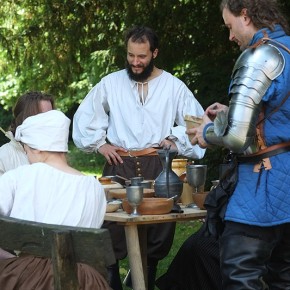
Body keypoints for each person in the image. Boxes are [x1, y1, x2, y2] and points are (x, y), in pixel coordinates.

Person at [73, 25, 205, 290]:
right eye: (131, 55)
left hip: (157, 164)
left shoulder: (173, 86)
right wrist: (100, 145)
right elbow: (85, 117)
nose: (135, 62)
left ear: (154, 53)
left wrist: (175, 139)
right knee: (109, 226)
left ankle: (141, 280)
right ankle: (112, 282)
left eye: (141, 56)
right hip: (118, 164)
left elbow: (197, 123)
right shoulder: (111, 83)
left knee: (158, 231)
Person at [187, 0, 290, 289]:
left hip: (262, 188)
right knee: (284, 278)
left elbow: (235, 137)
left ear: (245, 15)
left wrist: (206, 133)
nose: (230, 36)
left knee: (240, 276)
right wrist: (230, 113)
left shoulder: (262, 57)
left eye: (230, 26)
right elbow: (277, 116)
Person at [0, 109, 110, 289]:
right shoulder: (95, 187)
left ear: (37, 147)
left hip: (27, 278)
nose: (27, 157)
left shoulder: (19, 176)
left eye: (26, 150)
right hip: (84, 280)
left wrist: (8, 259)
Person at [0, 91, 55, 176]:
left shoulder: (56, 151)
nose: (50, 122)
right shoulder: (3, 157)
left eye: (51, 115)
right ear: (24, 119)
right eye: (43, 116)